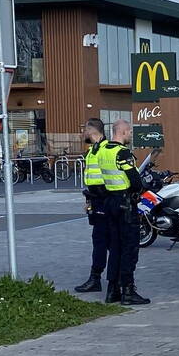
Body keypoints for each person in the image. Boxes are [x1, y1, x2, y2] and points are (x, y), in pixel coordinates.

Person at [101, 119, 150, 306]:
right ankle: (128, 291)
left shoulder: (103, 151)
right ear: (123, 132)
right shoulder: (123, 153)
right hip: (125, 204)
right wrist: (139, 190)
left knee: (115, 248)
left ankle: (112, 290)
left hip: (110, 202)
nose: (130, 135)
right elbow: (136, 181)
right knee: (129, 248)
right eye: (130, 132)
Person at [74, 119, 110, 295]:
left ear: (91, 130)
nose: (83, 133)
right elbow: (92, 179)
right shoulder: (92, 151)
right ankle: (101, 278)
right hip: (96, 200)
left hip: (105, 201)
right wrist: (88, 200)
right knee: (101, 241)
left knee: (102, 241)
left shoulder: (104, 150)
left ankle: (98, 278)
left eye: (84, 130)